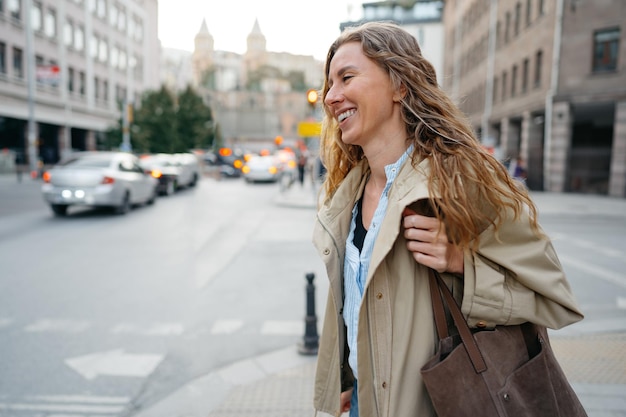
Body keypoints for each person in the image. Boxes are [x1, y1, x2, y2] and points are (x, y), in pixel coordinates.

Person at [311, 22, 584, 417]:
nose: (331, 97)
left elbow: (555, 298)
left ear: (400, 85)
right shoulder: (345, 199)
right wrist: (351, 379)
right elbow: (359, 309)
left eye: (346, 78)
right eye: (329, 85)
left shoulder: (462, 180)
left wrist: (462, 264)